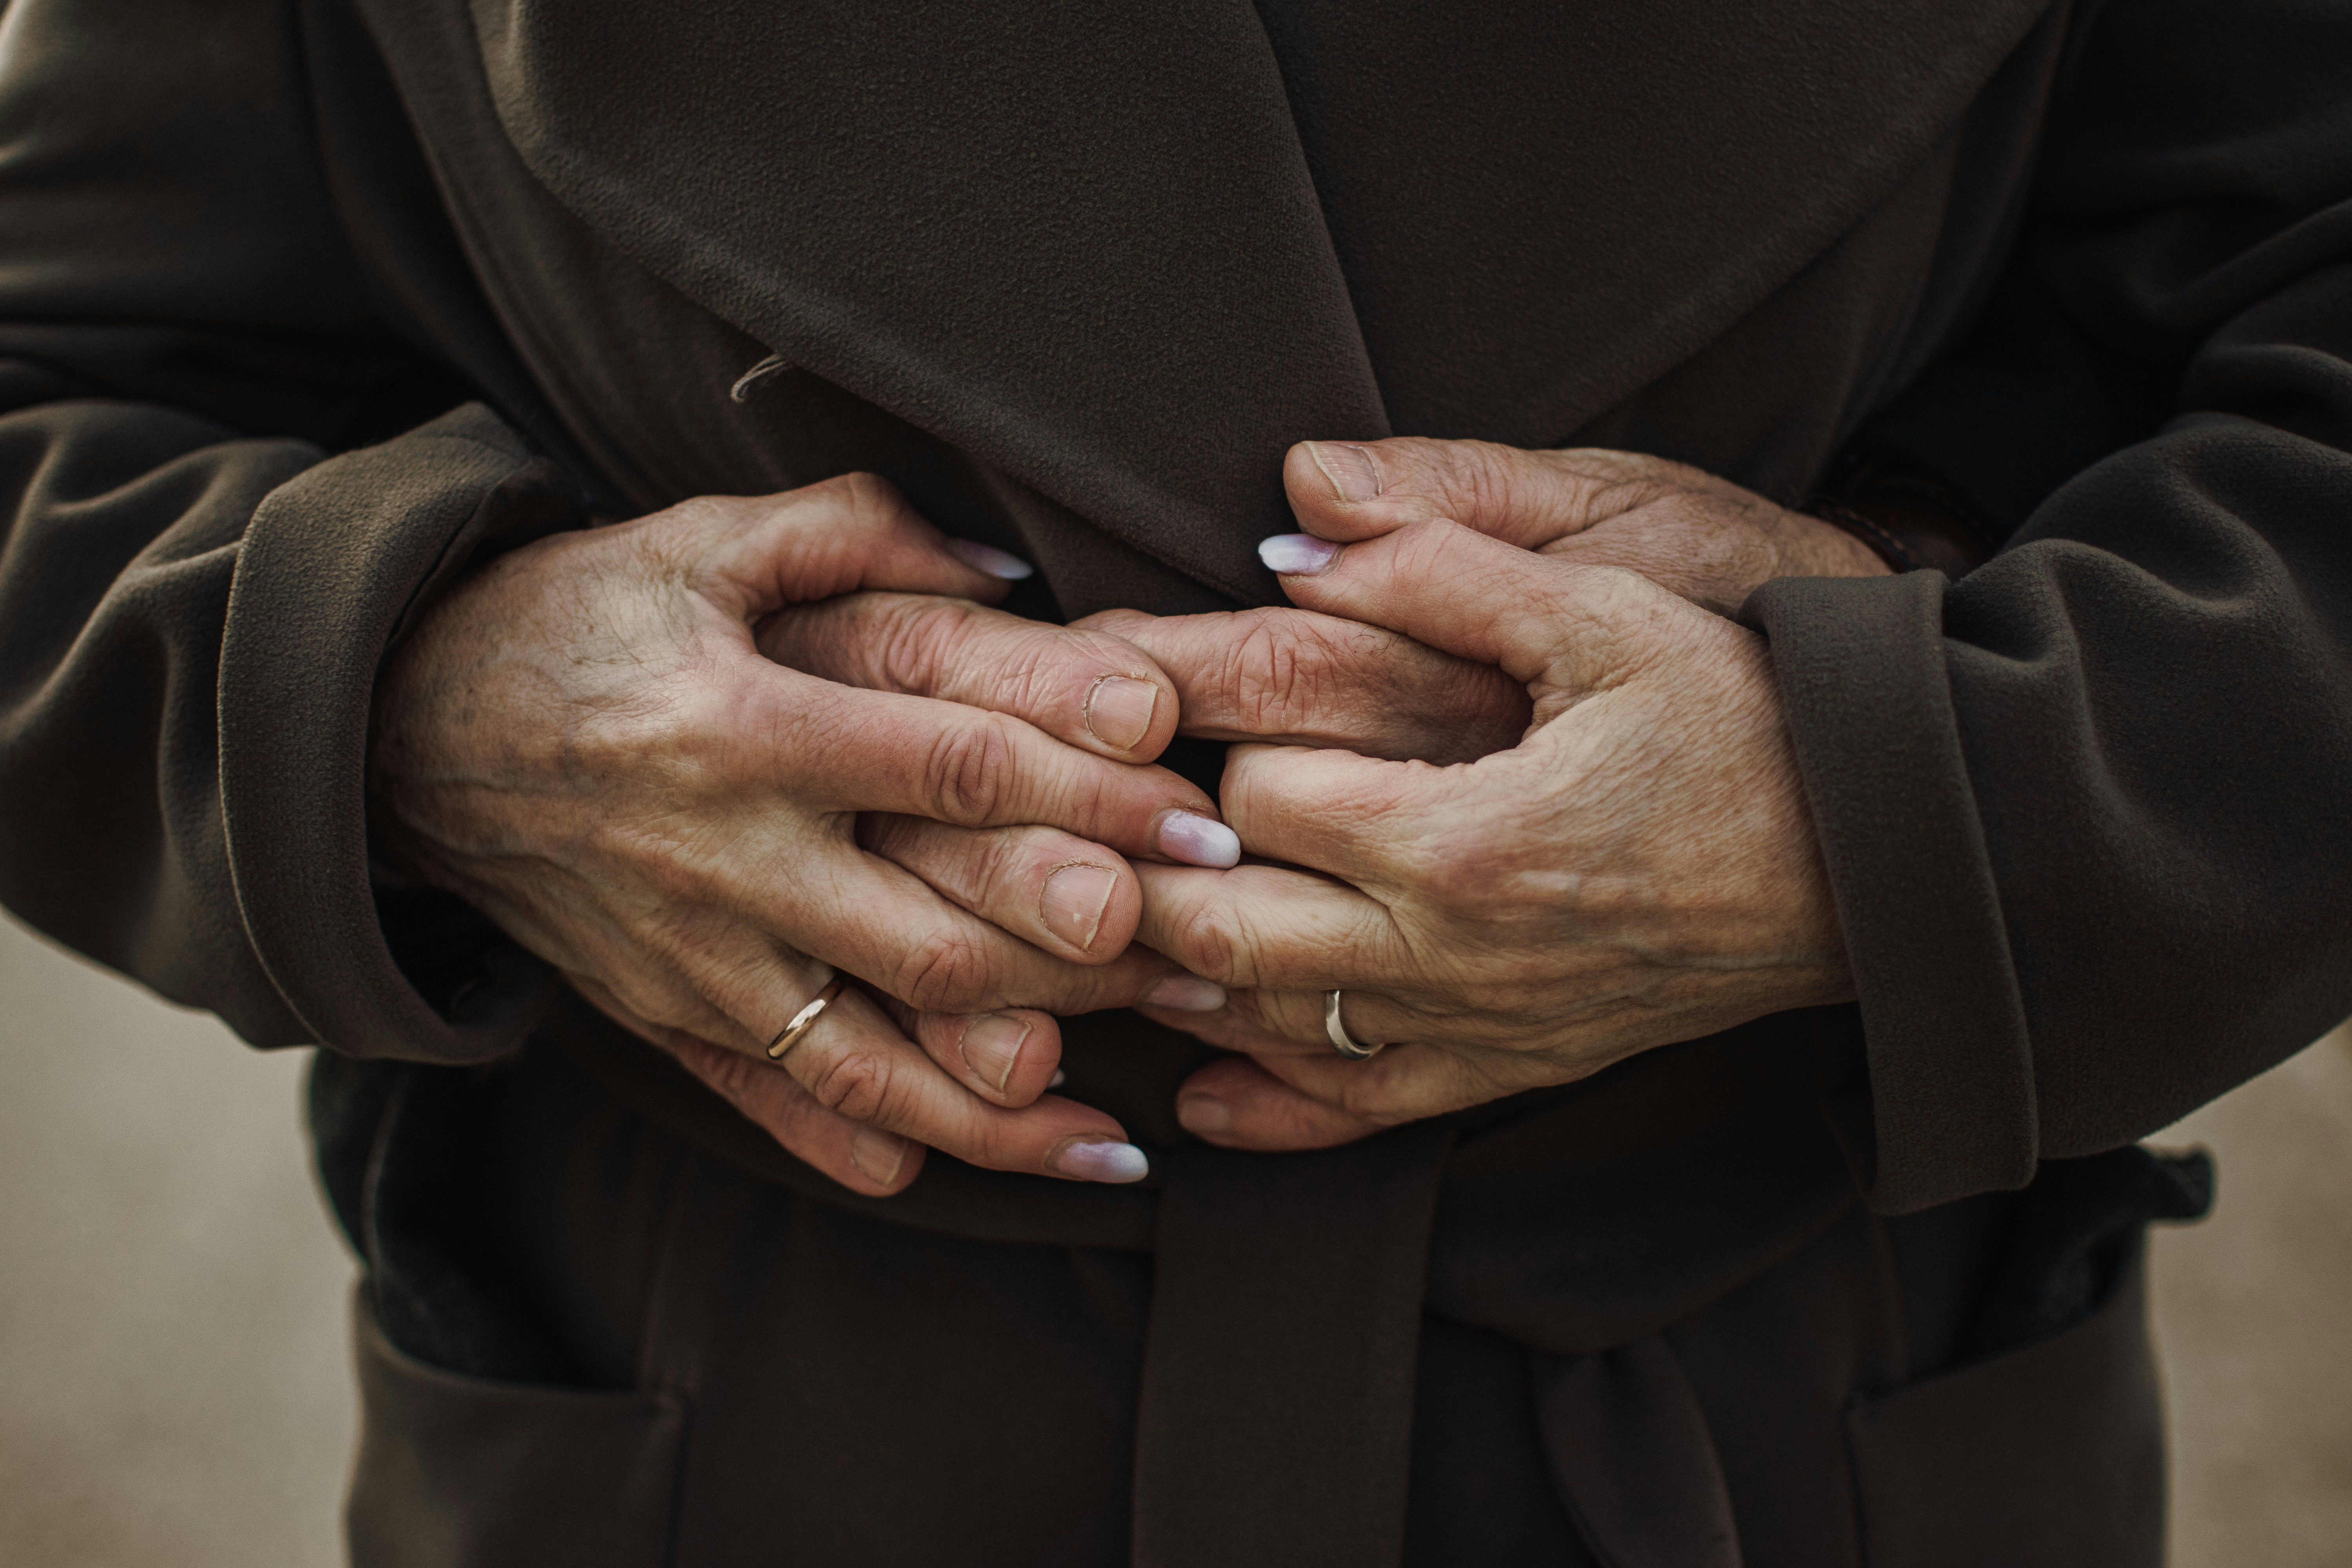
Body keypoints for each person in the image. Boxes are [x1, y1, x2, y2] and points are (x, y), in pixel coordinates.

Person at [0, 0, 2346, 1562]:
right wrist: (423, 706)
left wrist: (1891, 791)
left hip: (1783, 1384)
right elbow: (58, 386)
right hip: (754, 1403)